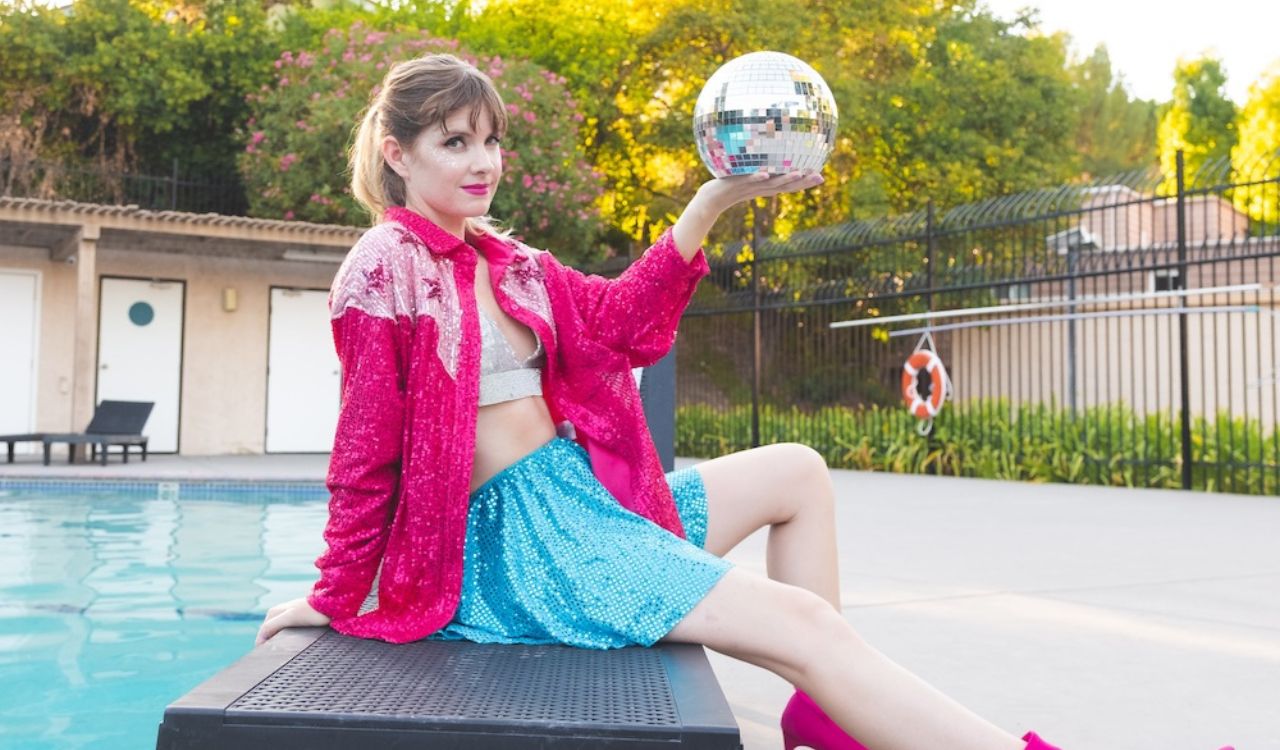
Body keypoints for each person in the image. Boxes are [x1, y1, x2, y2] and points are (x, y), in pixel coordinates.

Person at [254, 54, 1229, 750]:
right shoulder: (383, 271)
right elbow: (364, 456)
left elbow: (630, 326)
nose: (480, 160)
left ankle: (824, 716)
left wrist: (715, 198)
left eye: (490, 141)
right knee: (807, 631)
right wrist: (332, 599)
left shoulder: (512, 266)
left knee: (798, 474)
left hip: (591, 507)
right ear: (396, 152)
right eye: (452, 141)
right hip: (532, 551)